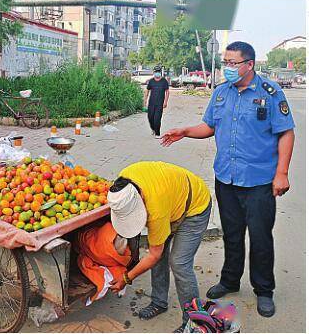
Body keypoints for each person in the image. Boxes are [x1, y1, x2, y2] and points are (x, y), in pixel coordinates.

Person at [161, 41, 295, 318]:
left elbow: (286, 133)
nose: (228, 68)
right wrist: (185, 131)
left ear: (249, 65)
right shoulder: (221, 93)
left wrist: (281, 173)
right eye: (225, 63)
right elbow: (210, 126)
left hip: (259, 181)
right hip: (226, 178)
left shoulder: (271, 93)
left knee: (260, 238)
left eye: (233, 63)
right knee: (231, 234)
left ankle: (264, 290)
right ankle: (230, 280)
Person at [108, 161, 211, 332]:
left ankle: (194, 323)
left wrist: (126, 278)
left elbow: (153, 255)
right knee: (159, 254)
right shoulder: (123, 183)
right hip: (172, 200)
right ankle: (159, 302)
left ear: (141, 199)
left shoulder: (155, 210)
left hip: (195, 207)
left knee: (179, 263)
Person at [145, 65, 170, 138]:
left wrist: (165, 102)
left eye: (158, 72)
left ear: (160, 72)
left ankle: (157, 133)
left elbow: (167, 92)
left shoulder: (164, 81)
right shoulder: (151, 81)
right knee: (150, 118)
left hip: (160, 104)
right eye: (156, 72)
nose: (157, 73)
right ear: (154, 72)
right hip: (151, 103)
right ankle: (153, 129)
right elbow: (147, 91)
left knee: (157, 119)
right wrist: (145, 101)